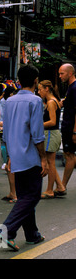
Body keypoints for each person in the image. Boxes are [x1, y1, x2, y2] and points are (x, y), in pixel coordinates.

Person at [0, 65, 48, 251]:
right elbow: (37, 133)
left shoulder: (9, 101)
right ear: (35, 81)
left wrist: (9, 156)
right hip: (30, 155)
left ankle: (32, 234)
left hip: (15, 153)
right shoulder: (35, 101)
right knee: (32, 196)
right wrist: (44, 158)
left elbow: (6, 131)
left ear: (18, 81)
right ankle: (7, 230)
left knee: (26, 196)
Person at [38, 80, 65, 199]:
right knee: (51, 162)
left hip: (51, 134)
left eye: (40, 89)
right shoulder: (54, 101)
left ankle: (49, 190)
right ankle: (59, 186)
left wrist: (38, 125)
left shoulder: (51, 102)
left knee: (50, 163)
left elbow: (53, 122)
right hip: (53, 134)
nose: (39, 92)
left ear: (46, 89)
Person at [58, 63, 76, 193]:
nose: (60, 76)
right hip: (67, 126)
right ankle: (62, 185)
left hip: (71, 127)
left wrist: (75, 131)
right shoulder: (70, 88)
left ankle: (62, 185)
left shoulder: (74, 88)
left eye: (62, 73)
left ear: (70, 73)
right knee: (67, 154)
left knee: (69, 155)